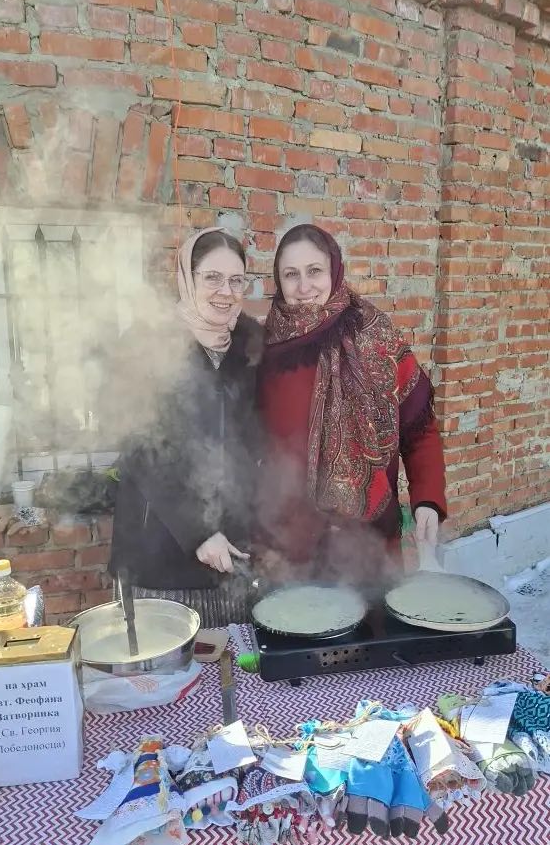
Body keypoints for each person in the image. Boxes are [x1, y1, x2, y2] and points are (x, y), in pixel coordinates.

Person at [256, 224, 446, 587]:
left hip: (369, 549)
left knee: (372, 623)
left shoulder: (375, 337)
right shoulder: (265, 350)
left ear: (334, 270)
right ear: (278, 281)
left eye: (314, 271)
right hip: (290, 553)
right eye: (291, 274)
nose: (304, 286)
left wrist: (427, 499)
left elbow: (420, 428)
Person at [107, 228, 262, 626]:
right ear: (187, 279)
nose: (225, 291)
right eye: (212, 277)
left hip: (231, 556)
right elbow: (141, 447)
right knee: (166, 661)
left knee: (234, 660)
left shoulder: (250, 342)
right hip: (160, 554)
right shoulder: (147, 343)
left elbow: (256, 441)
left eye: (236, 280)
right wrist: (198, 531)